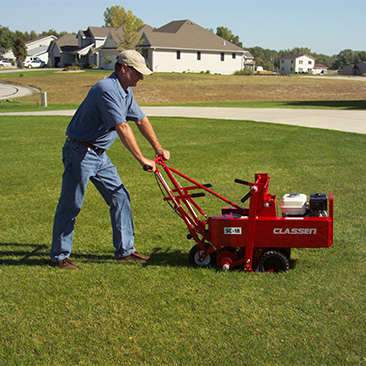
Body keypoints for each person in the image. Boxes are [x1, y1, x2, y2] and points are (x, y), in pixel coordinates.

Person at [50, 50, 170, 269]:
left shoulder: (125, 92)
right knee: (71, 204)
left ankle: (125, 251)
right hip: (80, 152)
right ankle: (59, 256)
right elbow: (122, 126)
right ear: (124, 68)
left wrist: (158, 147)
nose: (140, 78)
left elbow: (141, 120)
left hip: (98, 155)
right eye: (137, 73)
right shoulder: (106, 89)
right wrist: (142, 159)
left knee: (120, 196)